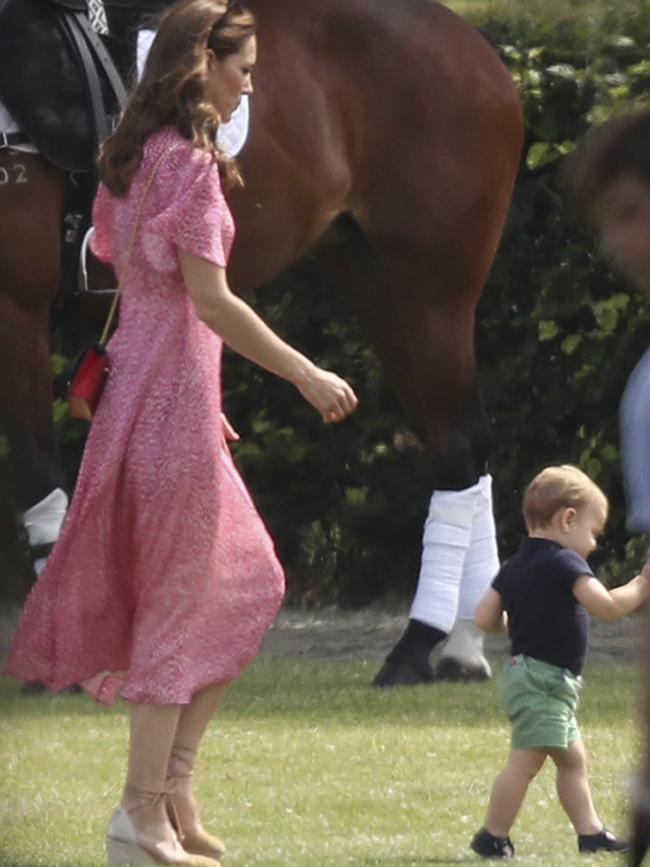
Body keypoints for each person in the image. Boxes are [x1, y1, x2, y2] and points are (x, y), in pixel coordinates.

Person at [4, 1, 358, 865]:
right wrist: (305, 372)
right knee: (180, 606)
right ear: (199, 65)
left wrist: (200, 386)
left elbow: (133, 277)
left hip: (151, 401)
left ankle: (171, 791)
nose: (249, 81)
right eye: (240, 64)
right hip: (164, 405)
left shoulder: (130, 161)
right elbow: (210, 300)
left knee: (249, 582)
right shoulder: (192, 167)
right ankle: (138, 810)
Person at [469, 465, 649, 859]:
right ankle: (492, 835)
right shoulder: (565, 563)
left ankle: (591, 832)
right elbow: (607, 606)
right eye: (593, 532)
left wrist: (516, 621)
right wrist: (641, 583)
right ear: (568, 519)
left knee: (572, 759)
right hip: (545, 680)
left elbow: (483, 618)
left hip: (531, 676)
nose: (594, 544)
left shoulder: (514, 566)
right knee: (526, 761)